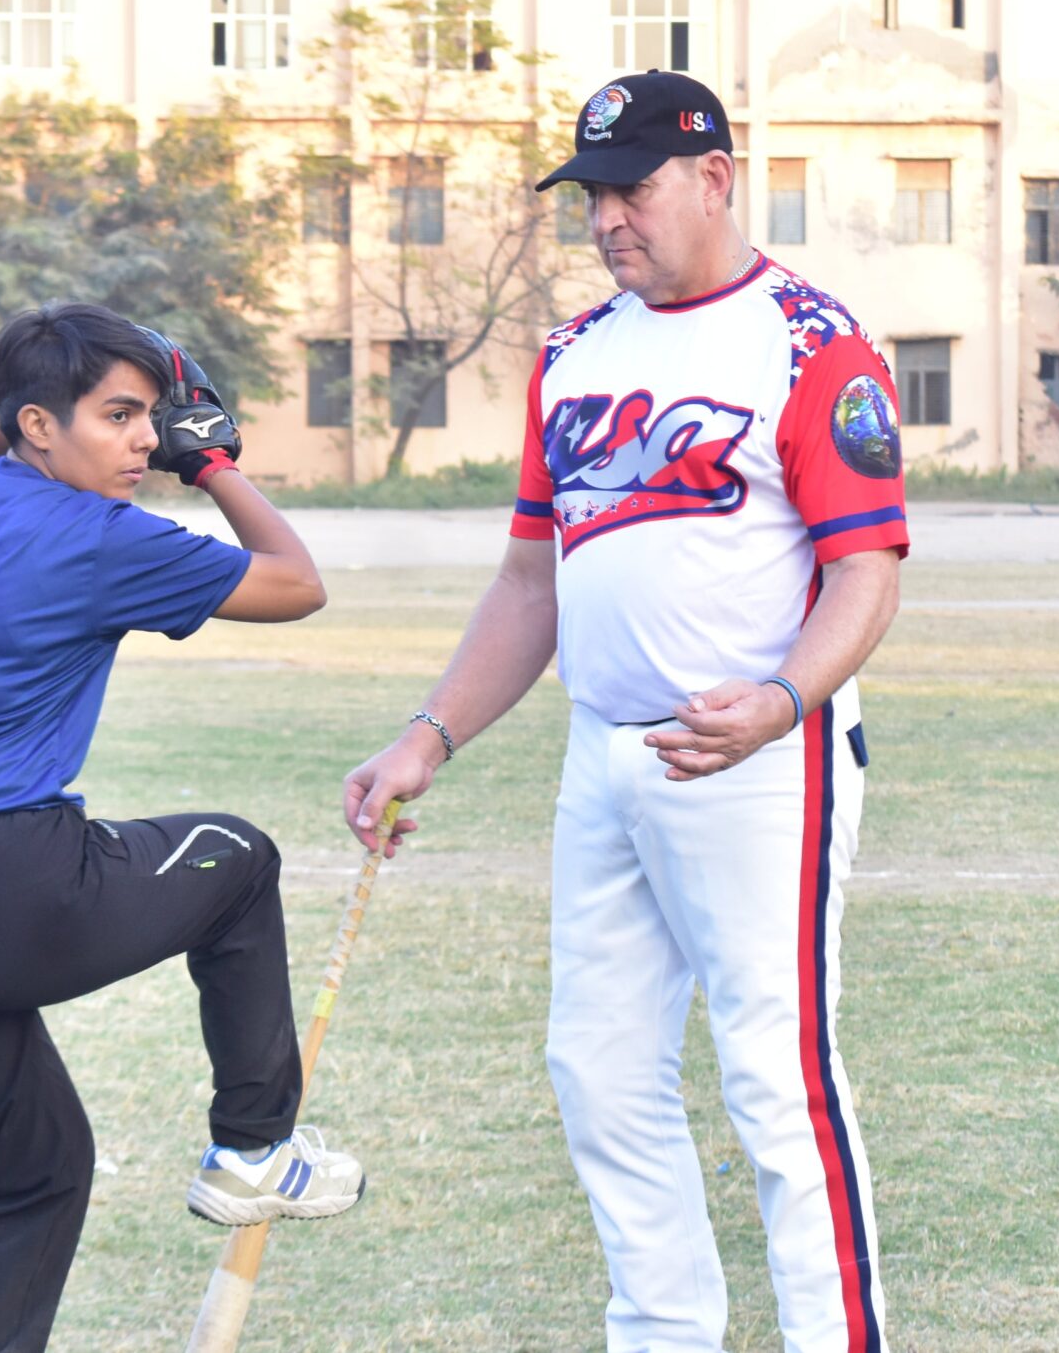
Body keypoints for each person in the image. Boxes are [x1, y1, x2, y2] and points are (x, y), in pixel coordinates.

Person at [341, 72, 907, 1352]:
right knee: (597, 1072)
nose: (606, 219)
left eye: (630, 189)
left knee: (776, 1081)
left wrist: (780, 703)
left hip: (756, 760)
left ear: (713, 179)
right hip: (602, 755)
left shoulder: (811, 342)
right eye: (590, 196)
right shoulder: (572, 354)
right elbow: (529, 583)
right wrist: (427, 735)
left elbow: (866, 573)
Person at [0, 301, 364, 1353]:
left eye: (153, 417)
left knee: (41, 1170)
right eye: (120, 416)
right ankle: (254, 1152)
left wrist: (56, 390)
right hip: (2, 886)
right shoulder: (96, 535)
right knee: (238, 860)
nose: (148, 440)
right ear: (38, 425)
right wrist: (214, 467)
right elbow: (298, 585)